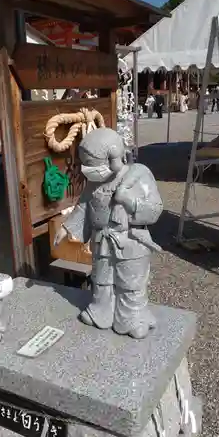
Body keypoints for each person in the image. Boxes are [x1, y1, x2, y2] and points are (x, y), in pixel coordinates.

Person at [54, 128, 163, 339]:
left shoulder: (139, 175)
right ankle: (100, 312)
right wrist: (66, 228)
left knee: (130, 283)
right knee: (102, 279)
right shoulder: (94, 182)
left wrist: (128, 201)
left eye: (93, 164)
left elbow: (155, 208)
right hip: (102, 240)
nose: (89, 170)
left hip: (130, 241)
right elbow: (84, 206)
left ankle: (133, 318)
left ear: (114, 157)